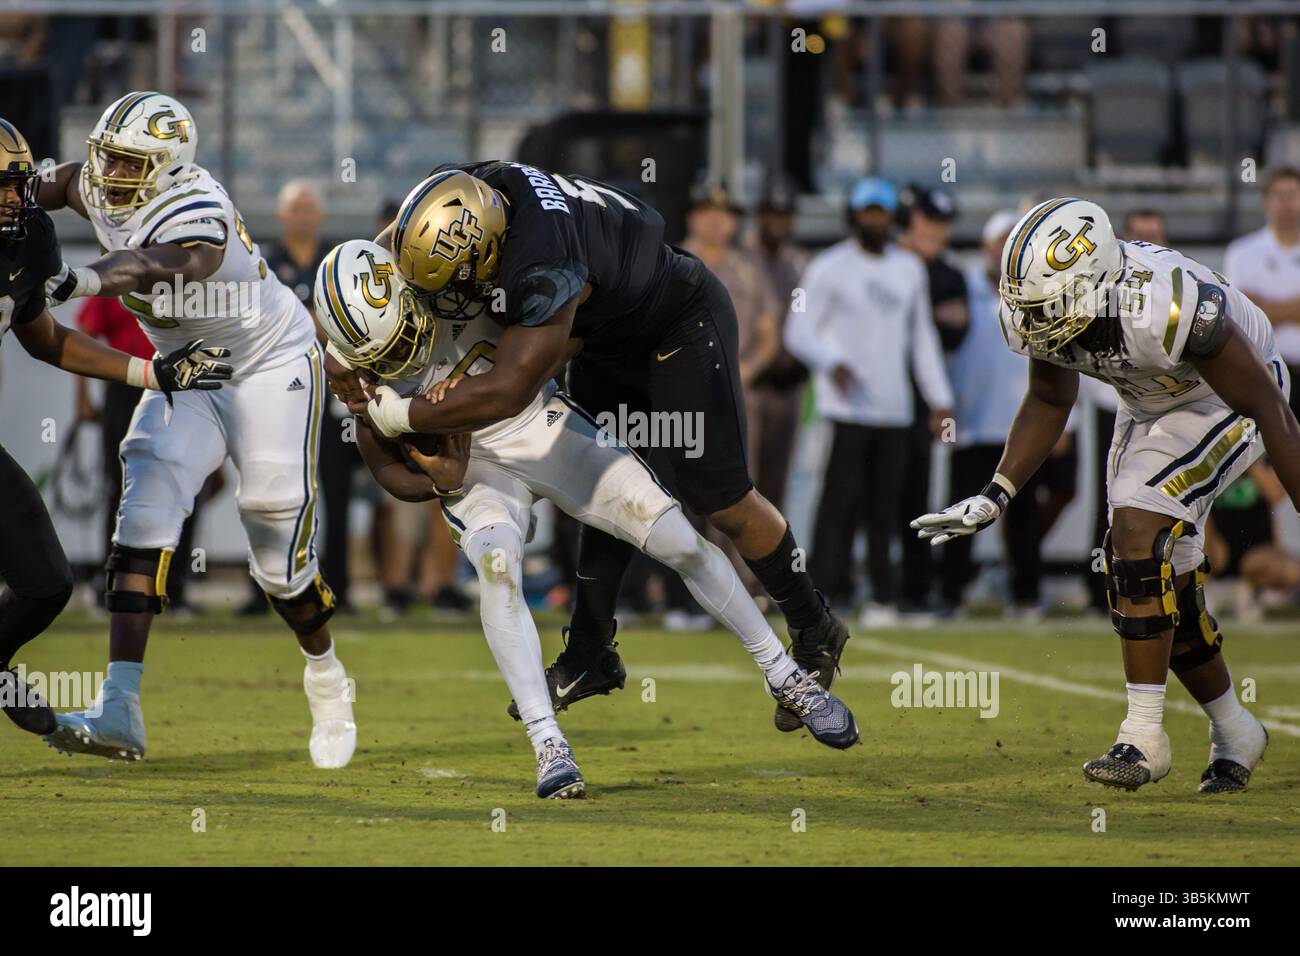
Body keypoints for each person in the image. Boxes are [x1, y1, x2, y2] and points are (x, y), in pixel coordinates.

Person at [317, 239, 858, 796]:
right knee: (498, 569)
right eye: (380, 351)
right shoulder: (354, 370)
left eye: (403, 329)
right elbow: (381, 462)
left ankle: (785, 676)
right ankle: (547, 741)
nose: (402, 352)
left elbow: (521, 309)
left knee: (678, 539)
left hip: (537, 422)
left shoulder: (442, 270)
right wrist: (437, 481)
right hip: (474, 466)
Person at [914, 197, 1299, 795]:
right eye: (1031, 307)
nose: (1036, 322)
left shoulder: (1171, 308)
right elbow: (1049, 398)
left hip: (1225, 399)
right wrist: (997, 494)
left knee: (1135, 535)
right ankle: (1234, 728)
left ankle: (1144, 734)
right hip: (1147, 401)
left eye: (1050, 306)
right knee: (1153, 576)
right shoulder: (1045, 309)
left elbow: (1270, 408)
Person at [36, 92, 354, 768]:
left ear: (170, 167)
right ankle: (120, 705)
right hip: (188, 370)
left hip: (269, 365)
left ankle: (325, 671)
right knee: (143, 504)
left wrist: (77, 280)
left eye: (129, 163)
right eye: (107, 157)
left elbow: (156, 264)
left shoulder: (196, 210)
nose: (110, 175)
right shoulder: (97, 179)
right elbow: (56, 183)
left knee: (277, 555)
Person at [0, 115, 230, 737]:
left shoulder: (24, 240)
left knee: (46, 584)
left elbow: (47, 341)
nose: (13, 199)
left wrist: (150, 375)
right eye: (0, 185)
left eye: (18, 184)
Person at [784, 177, 953, 627]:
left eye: (880, 212)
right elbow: (797, 331)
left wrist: (940, 399)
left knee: (887, 507)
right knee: (837, 505)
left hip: (894, 409)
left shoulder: (909, 269)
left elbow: (922, 340)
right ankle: (821, 595)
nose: (873, 220)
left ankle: (883, 597)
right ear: (853, 216)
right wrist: (831, 361)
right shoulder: (828, 267)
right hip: (845, 408)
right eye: (866, 212)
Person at [74, 296, 216, 614]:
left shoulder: (187, 269)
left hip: (182, 384)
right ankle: (113, 583)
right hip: (126, 382)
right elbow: (85, 330)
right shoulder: (122, 270)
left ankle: (172, 588)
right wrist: (81, 396)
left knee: (185, 486)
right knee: (123, 487)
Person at [941, 210, 1043, 616]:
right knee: (961, 515)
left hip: (1019, 427)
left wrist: (1063, 426)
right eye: (1000, 240)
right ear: (986, 245)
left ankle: (1027, 596)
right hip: (970, 423)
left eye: (1012, 241)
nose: (1004, 249)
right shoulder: (963, 287)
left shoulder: (1038, 292)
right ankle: (950, 593)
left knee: (1023, 519)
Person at [1083, 208, 1170, 612]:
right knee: (1113, 494)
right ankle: (1104, 584)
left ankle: (1168, 580)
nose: (1148, 245)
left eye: (1155, 236)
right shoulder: (1101, 285)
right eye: (1141, 236)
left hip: (1169, 403)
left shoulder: (1175, 288)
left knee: (1162, 495)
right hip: (1116, 402)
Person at [896, 184, 967, 617]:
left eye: (942, 223)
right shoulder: (891, 265)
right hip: (875, 395)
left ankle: (916, 589)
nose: (936, 231)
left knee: (919, 495)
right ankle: (861, 583)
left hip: (924, 399)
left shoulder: (948, 274)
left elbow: (956, 331)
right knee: (865, 494)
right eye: (929, 221)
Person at [748, 178, 809, 512]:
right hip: (752, 383)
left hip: (789, 385)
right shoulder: (742, 257)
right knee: (743, 482)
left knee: (778, 481)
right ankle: (731, 564)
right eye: (771, 213)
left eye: (784, 215)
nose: (778, 222)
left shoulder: (800, 262)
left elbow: (811, 319)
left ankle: (769, 563)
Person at [1224, 166, 1300, 421]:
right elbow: (1243, 315)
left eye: (1293, 194)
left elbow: (1258, 312)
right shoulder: (1242, 252)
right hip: (1264, 372)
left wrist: (1267, 307)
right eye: (1279, 195)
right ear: (1266, 201)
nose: (1286, 202)